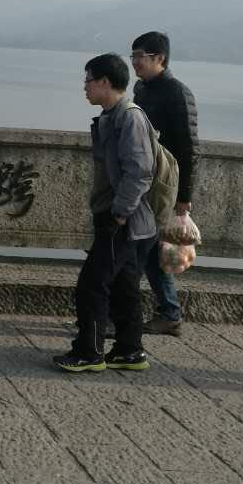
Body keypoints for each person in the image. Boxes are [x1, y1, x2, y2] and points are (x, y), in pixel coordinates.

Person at [53, 53, 157, 373]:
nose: (84, 86)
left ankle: (90, 351)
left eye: (88, 79)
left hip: (121, 218)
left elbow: (140, 172)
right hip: (120, 215)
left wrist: (119, 214)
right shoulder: (112, 116)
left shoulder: (129, 118)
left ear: (104, 82)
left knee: (92, 284)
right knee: (124, 284)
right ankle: (129, 350)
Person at [130, 31, 199, 336]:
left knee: (148, 250)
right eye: (133, 56)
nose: (135, 62)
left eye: (140, 56)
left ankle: (164, 312)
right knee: (147, 250)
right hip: (143, 180)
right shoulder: (142, 90)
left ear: (160, 58)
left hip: (164, 186)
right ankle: (168, 312)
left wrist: (184, 198)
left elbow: (189, 149)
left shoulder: (177, 93)